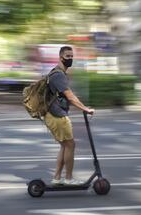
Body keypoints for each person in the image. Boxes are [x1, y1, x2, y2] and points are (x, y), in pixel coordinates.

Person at [44, 46, 95, 185]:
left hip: (53, 115)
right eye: (68, 56)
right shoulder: (59, 74)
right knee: (70, 145)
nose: (70, 59)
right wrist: (85, 109)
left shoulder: (57, 73)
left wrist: (83, 107)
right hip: (57, 116)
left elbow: (70, 95)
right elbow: (70, 97)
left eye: (72, 56)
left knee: (65, 145)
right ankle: (68, 179)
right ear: (61, 57)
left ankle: (56, 178)